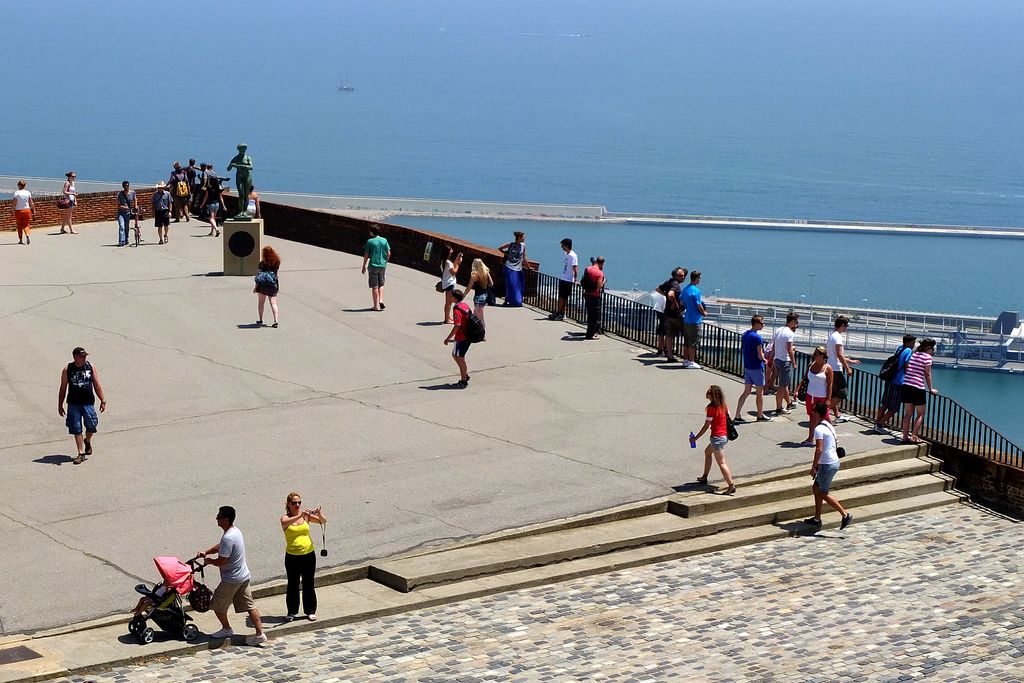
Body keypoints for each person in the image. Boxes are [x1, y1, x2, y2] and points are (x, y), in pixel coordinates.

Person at [198, 506, 266, 646]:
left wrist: (210, 561)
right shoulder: (235, 531)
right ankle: (260, 634)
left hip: (232, 579)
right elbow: (221, 546)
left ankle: (227, 629)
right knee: (250, 606)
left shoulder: (228, 537)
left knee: (217, 604)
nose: (217, 518)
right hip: (244, 576)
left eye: (219, 516)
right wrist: (208, 551)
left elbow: (223, 560)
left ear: (226, 519)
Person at [803, 403, 853, 530]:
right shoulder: (828, 425)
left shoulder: (819, 429)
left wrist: (814, 467)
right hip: (831, 462)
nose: (812, 413)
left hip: (827, 464)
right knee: (816, 487)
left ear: (816, 413)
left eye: (813, 411)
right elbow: (835, 442)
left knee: (823, 492)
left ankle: (845, 515)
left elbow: (819, 449)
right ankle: (817, 518)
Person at [280, 492, 327, 622]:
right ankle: (292, 611)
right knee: (293, 585)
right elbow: (285, 523)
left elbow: (323, 521)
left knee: (308, 583)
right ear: (288, 504)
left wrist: (318, 514)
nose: (297, 505)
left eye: (299, 502)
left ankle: (310, 610)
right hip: (292, 556)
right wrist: (300, 515)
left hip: (308, 555)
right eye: (294, 503)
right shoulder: (285, 518)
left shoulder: (305, 517)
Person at [57, 347, 107, 465]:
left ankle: (87, 440)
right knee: (76, 428)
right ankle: (81, 453)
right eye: (82, 356)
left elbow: (97, 385)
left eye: (85, 356)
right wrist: (60, 405)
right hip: (73, 404)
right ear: (75, 357)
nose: (84, 358)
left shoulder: (90, 367)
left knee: (91, 425)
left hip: (88, 403)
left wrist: (103, 400)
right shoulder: (67, 369)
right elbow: (63, 388)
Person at [689, 385, 737, 495]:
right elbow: (727, 419)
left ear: (712, 395)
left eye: (708, 392)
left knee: (722, 463)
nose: (706, 393)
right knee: (707, 452)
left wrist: (695, 438)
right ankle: (704, 476)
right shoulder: (724, 406)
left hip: (717, 438)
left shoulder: (711, 408)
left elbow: (706, 426)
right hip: (724, 436)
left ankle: (731, 485)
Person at [873, 334, 917, 434]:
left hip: (890, 379)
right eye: (913, 343)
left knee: (884, 404)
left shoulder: (900, 348)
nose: (914, 345)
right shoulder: (908, 351)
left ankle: (877, 423)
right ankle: (880, 424)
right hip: (899, 382)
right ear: (908, 342)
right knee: (894, 408)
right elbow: (906, 366)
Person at [900, 338, 939, 444]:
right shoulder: (927, 357)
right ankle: (914, 436)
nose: (933, 351)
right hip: (917, 387)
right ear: (928, 348)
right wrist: (931, 389)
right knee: (921, 413)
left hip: (906, 385)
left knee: (908, 413)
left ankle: (904, 437)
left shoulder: (915, 354)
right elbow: (927, 374)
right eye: (932, 349)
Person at [734, 315, 772, 422]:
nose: (763, 325)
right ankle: (760, 415)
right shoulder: (757, 338)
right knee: (759, 393)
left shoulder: (745, 335)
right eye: (761, 323)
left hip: (747, 367)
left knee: (746, 391)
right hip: (756, 367)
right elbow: (760, 355)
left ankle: (737, 414)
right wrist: (766, 360)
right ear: (756, 324)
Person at [827, 315, 861, 423]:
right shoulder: (838, 337)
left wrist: (850, 361)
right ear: (842, 325)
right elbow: (839, 355)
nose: (847, 328)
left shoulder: (832, 335)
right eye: (846, 326)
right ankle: (823, 412)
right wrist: (848, 368)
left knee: (833, 393)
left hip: (831, 366)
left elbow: (837, 355)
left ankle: (837, 415)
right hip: (836, 369)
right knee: (842, 393)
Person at [801, 346, 833, 446]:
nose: (814, 356)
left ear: (823, 356)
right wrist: (798, 390)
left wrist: (828, 399)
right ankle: (810, 438)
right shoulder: (811, 365)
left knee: (825, 418)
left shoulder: (828, 369)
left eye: (816, 354)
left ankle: (833, 437)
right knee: (811, 417)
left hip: (821, 397)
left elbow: (830, 385)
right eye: (814, 354)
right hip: (810, 395)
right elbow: (805, 378)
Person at [770, 312, 800, 415]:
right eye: (796, 322)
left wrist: (772, 357)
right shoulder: (790, 333)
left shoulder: (778, 330)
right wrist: (794, 362)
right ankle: (779, 408)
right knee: (782, 386)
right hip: (785, 361)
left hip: (777, 359)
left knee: (784, 383)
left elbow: (774, 345)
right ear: (792, 321)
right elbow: (790, 350)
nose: (796, 324)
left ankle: (788, 403)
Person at [655, 267, 687, 361]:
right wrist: (675, 303)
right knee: (686, 334)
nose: (683, 277)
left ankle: (670, 355)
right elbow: (670, 294)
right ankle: (688, 357)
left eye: (684, 276)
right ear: (676, 276)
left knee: (670, 335)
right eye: (681, 276)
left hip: (667, 313)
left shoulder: (668, 281)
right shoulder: (676, 285)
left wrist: (665, 294)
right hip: (676, 314)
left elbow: (658, 289)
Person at [443, 288, 472, 387]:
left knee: (460, 358)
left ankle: (464, 381)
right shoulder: (464, 305)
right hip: (468, 335)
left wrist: (448, 338)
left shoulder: (456, 309)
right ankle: (465, 374)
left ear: (455, 298)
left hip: (461, 337)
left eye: (451, 296)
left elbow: (457, 325)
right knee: (455, 355)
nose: (450, 298)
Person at [680, 271, 706, 369]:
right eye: (699, 278)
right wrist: (704, 313)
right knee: (694, 342)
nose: (700, 280)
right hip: (695, 319)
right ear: (696, 278)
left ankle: (685, 360)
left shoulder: (686, 289)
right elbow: (699, 305)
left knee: (686, 341)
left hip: (687, 318)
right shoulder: (696, 291)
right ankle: (691, 361)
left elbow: (681, 301)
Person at [361, 226, 390, 311]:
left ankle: (375, 306)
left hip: (373, 265)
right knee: (381, 284)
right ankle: (381, 300)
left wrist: (363, 266)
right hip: (382, 265)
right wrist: (385, 261)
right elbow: (389, 253)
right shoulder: (384, 240)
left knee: (374, 286)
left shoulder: (370, 241)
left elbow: (366, 255)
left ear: (371, 232)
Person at [548, 238, 577, 321]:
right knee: (561, 296)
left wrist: (575, 279)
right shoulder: (566, 254)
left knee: (565, 297)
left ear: (567, 245)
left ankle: (562, 313)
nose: (562, 247)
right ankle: (559, 311)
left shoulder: (573, 255)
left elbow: (575, 268)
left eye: (563, 245)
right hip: (563, 278)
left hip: (568, 280)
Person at [254, 246, 280, 327]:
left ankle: (260, 319)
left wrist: (256, 287)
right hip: (272, 285)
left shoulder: (262, 263)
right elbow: (277, 275)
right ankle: (275, 321)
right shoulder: (277, 262)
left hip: (262, 286)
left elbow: (259, 276)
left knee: (261, 303)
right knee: (273, 303)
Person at [498, 231, 527, 306]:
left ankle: (514, 300)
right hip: (509, 267)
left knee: (518, 285)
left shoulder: (523, 246)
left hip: (518, 268)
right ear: (519, 237)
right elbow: (500, 248)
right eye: (523, 237)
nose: (524, 238)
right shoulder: (511, 244)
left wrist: (528, 266)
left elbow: (524, 256)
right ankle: (508, 300)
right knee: (511, 284)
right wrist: (506, 254)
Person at [581, 256, 605, 340]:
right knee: (594, 316)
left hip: (587, 294)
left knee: (590, 314)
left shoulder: (588, 269)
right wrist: (603, 281)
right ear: (602, 263)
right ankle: (590, 334)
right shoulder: (599, 273)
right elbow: (599, 286)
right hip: (594, 296)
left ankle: (589, 332)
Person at [466, 258, 494, 331]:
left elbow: (469, 286)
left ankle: (481, 333)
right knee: (477, 314)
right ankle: (475, 331)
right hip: (485, 296)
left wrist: (464, 295)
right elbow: (491, 284)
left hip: (478, 297)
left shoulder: (474, 275)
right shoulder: (486, 273)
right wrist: (485, 283)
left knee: (479, 316)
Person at [441, 247, 462, 323]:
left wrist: (457, 258)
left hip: (446, 283)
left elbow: (452, 266)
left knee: (448, 302)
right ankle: (446, 319)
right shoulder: (448, 262)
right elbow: (454, 272)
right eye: (450, 252)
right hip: (449, 283)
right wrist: (458, 264)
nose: (451, 253)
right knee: (449, 303)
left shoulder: (443, 261)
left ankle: (448, 317)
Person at [201, 165, 223, 236]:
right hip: (217, 204)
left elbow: (206, 197)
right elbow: (220, 197)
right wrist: (224, 206)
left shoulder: (208, 188)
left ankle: (216, 229)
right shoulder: (218, 189)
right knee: (214, 218)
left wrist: (202, 204)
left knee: (211, 218)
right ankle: (211, 232)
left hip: (210, 204)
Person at [115, 181, 138, 247]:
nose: (126, 187)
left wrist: (135, 206)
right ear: (123, 186)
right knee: (122, 226)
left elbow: (135, 199)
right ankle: (121, 241)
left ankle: (126, 238)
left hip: (128, 213)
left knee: (126, 227)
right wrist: (125, 207)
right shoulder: (120, 194)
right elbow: (118, 205)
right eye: (125, 186)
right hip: (121, 213)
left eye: (127, 185)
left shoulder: (132, 193)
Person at [12, 179, 35, 245]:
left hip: (18, 211)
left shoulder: (16, 193)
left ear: (19, 185)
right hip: (27, 210)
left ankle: (21, 240)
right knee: (26, 225)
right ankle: (27, 234)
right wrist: (34, 210)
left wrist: (12, 210)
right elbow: (31, 203)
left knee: (19, 225)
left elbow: (14, 203)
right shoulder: (28, 192)